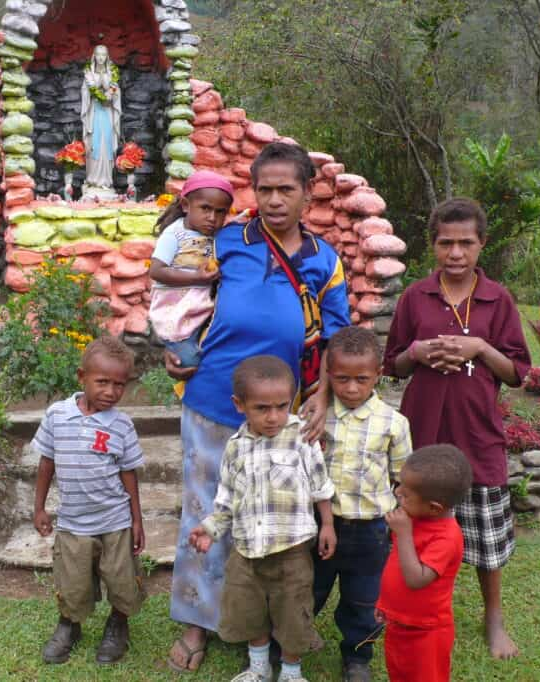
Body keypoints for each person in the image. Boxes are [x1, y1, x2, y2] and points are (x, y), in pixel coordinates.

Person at [165, 142, 350, 673]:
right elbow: (179, 299)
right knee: (205, 512)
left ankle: (266, 625)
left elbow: (337, 336)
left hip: (281, 417)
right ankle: (197, 623)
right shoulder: (226, 241)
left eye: (284, 189)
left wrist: (322, 393)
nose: (273, 200)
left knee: (274, 517)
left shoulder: (324, 259)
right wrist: (172, 346)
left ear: (307, 192)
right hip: (212, 401)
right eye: (263, 189)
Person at [383, 197, 531, 659]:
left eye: (466, 243)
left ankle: (493, 617)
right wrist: (420, 352)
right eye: (446, 243)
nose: (455, 253)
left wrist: (479, 347)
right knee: (410, 524)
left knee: (486, 536)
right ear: (433, 245)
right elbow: (394, 365)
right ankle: (397, 605)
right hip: (422, 432)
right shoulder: (415, 297)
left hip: (476, 434)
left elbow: (516, 372)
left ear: (482, 244)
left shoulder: (497, 299)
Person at [189, 355, 337, 682]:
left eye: (282, 406)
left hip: (292, 550)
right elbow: (226, 498)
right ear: (239, 405)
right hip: (245, 552)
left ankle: (291, 672)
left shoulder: (302, 436)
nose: (273, 417)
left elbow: (319, 483)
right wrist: (209, 529)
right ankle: (258, 668)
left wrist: (327, 524)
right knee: (249, 610)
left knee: (293, 612)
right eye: (262, 408)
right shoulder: (235, 447)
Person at [30, 336, 146, 665]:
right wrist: (39, 507)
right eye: (103, 382)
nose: (111, 392)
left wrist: (137, 519)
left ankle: (118, 624)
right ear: (82, 377)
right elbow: (46, 463)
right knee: (72, 582)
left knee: (122, 579)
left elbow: (129, 473)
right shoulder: (57, 416)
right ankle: (69, 624)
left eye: (119, 385)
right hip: (73, 522)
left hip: (115, 521)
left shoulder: (122, 425)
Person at [313, 325, 413, 682]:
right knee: (309, 588)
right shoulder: (317, 417)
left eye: (361, 379)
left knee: (364, 599)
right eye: (341, 379)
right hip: (322, 524)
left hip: (371, 529)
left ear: (378, 375)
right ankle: (289, 644)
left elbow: (401, 478)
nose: (352, 388)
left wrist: (397, 524)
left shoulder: (394, 424)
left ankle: (357, 658)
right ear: (329, 375)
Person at [375, 444, 473, 682]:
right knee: (398, 674)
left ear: (434, 508)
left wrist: (404, 534)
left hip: (427, 633)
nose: (397, 493)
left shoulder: (447, 537)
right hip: (399, 624)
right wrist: (386, 604)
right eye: (399, 485)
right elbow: (397, 564)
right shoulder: (414, 517)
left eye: (406, 494)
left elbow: (416, 579)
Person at [148, 170, 234, 368]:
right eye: (205, 208)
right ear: (186, 205)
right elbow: (157, 271)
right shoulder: (175, 234)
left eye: (221, 212)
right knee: (189, 361)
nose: (212, 217)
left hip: (202, 305)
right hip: (176, 306)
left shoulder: (217, 233)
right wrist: (197, 277)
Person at [80, 44, 121, 196]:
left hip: (108, 114)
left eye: (104, 55)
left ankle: (106, 180)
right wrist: (95, 87)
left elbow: (117, 93)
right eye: (98, 54)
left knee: (107, 145)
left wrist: (112, 94)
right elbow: (85, 93)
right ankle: (93, 180)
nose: (101, 58)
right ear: (94, 56)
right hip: (94, 114)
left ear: (107, 56)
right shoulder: (89, 74)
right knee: (94, 145)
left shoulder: (112, 74)